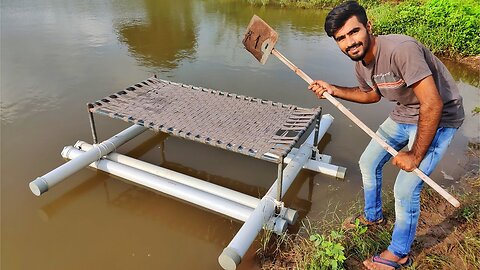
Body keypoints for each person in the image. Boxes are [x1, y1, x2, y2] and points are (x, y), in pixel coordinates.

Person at [308, 1, 464, 269]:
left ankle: (400, 253)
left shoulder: (401, 50)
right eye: (341, 38)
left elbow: (433, 104)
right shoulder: (361, 62)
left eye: (354, 32)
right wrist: (333, 89)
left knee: (405, 188)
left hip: (440, 116)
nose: (350, 42)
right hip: (405, 112)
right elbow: (371, 94)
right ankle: (373, 216)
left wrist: (415, 155)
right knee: (368, 162)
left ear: (369, 27)